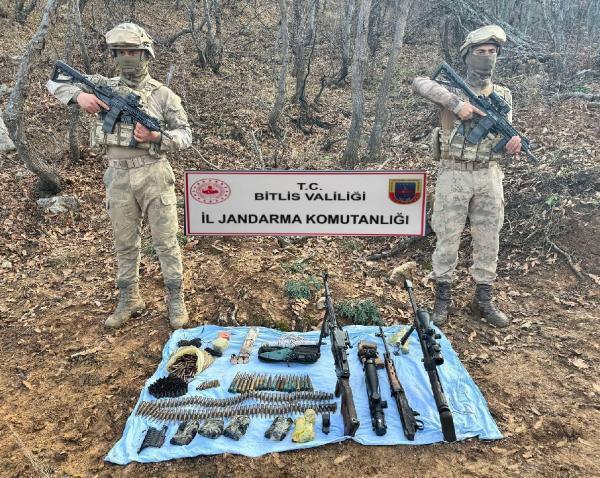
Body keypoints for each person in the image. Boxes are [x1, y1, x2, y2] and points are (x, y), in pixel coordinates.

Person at [47, 23, 192, 329]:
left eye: (133, 51)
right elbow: (54, 81)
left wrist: (157, 137)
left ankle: (176, 298)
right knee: (124, 242)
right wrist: (78, 98)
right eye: (121, 52)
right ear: (113, 55)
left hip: (154, 173)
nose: (127, 57)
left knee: (166, 242)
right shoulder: (103, 85)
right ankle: (130, 298)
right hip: (118, 176)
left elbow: (185, 135)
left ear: (146, 54)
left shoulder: (163, 95)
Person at [412, 25, 521, 328]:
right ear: (467, 55)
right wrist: (457, 105)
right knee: (447, 236)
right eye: (480, 51)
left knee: (489, 238)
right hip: (454, 172)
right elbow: (420, 82)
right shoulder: (453, 90)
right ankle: (442, 299)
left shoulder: (503, 95)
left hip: (489, 174)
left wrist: (513, 143)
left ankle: (483, 299)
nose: (486, 57)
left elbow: (505, 133)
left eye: (492, 52)